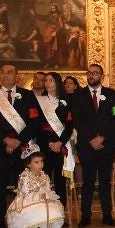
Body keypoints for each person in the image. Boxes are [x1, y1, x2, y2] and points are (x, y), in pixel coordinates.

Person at [0, 64, 40, 228]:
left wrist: (19, 140)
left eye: (9, 72)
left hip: (22, 148)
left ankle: (25, 219)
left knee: (23, 185)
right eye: (2, 72)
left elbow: (34, 121)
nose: (5, 75)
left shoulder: (28, 95)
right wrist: (5, 139)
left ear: (17, 76)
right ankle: (0, 221)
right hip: (0, 147)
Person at [73, 63, 115, 228]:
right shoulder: (78, 95)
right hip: (87, 145)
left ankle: (107, 215)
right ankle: (85, 216)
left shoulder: (112, 94)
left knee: (105, 181)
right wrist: (91, 139)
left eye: (95, 73)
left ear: (102, 75)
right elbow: (77, 120)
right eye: (89, 73)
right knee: (88, 180)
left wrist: (102, 137)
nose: (92, 75)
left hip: (107, 145)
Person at [6, 152, 68, 228]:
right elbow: (25, 192)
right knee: (42, 211)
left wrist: (48, 194)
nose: (40, 164)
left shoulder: (44, 176)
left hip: (42, 200)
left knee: (56, 208)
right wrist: (40, 194)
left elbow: (47, 189)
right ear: (29, 164)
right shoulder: (25, 175)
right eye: (36, 162)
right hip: (26, 203)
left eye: (41, 161)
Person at [34, 71, 74, 203]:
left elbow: (69, 126)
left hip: (60, 145)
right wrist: (49, 143)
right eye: (46, 80)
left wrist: (60, 143)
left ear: (57, 83)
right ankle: (44, 213)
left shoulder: (66, 101)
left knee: (60, 180)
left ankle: (60, 213)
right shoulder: (39, 101)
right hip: (45, 145)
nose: (47, 83)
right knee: (44, 180)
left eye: (51, 80)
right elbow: (37, 126)